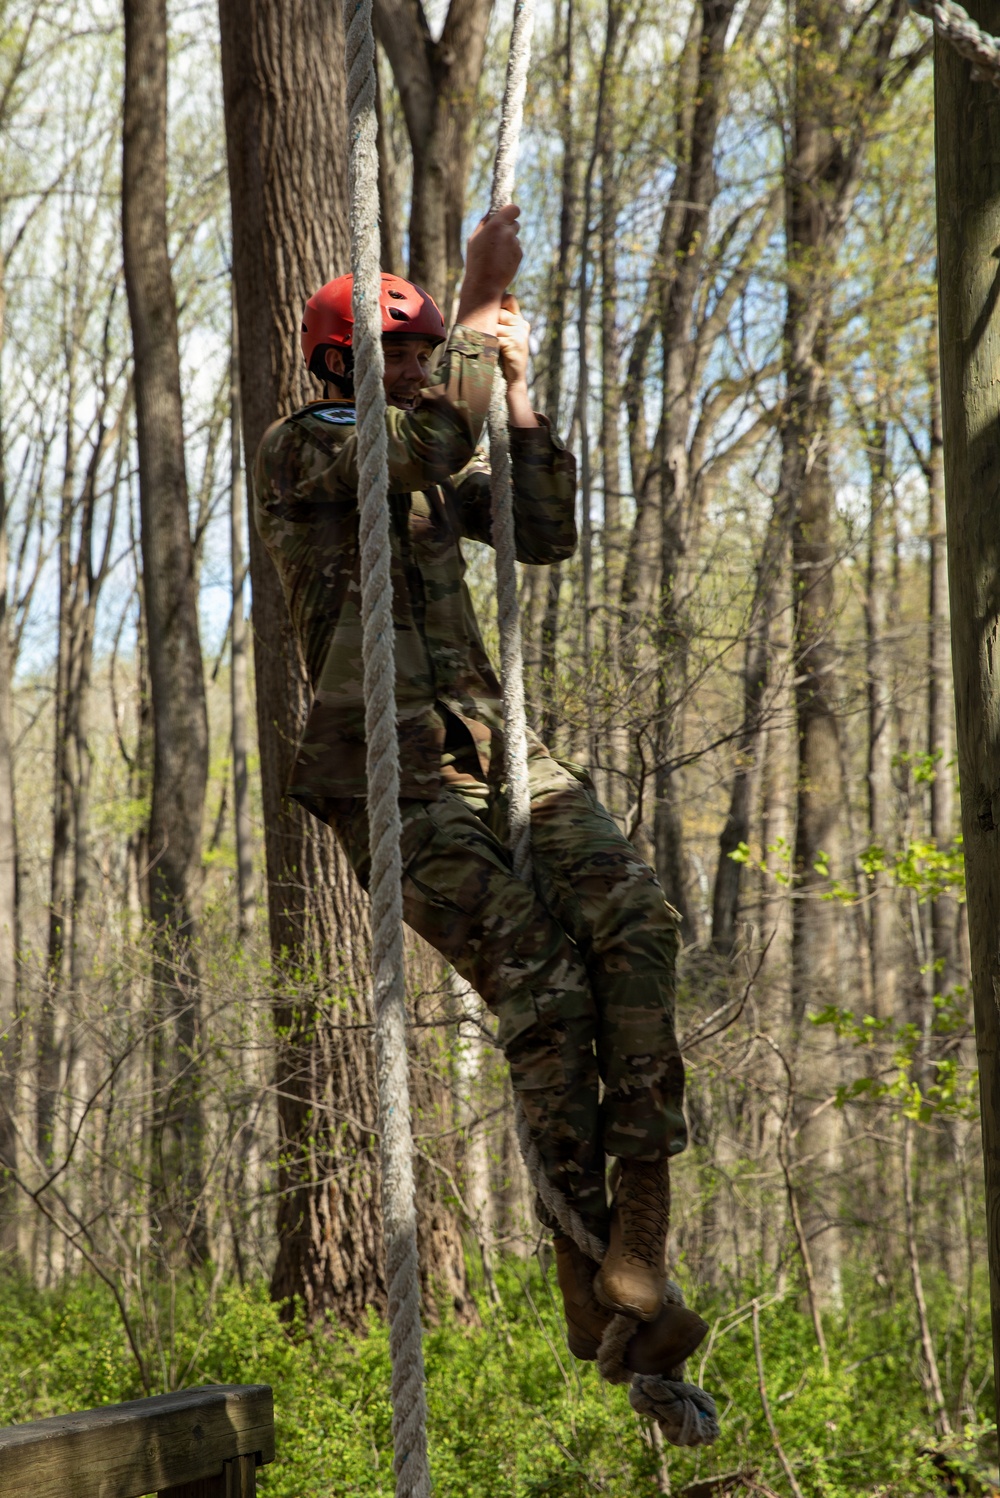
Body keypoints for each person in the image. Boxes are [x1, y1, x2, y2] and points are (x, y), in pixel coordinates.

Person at [254, 206, 707, 1370]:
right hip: (387, 773)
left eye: (419, 353)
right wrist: (470, 302)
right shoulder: (308, 446)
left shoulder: (432, 449)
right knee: (543, 989)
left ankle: (640, 1218)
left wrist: (512, 390)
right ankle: (579, 1254)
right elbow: (412, 451)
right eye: (394, 354)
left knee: (636, 919)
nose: (412, 369)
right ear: (341, 363)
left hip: (494, 747)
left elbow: (543, 530)